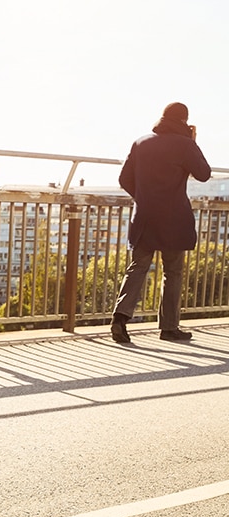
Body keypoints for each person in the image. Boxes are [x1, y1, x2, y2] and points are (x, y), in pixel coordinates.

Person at [111, 102, 211, 344]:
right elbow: (204, 173)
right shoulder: (185, 144)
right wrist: (192, 141)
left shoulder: (141, 142)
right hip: (173, 218)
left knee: (138, 267)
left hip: (144, 216)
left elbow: (124, 178)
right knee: (172, 271)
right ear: (184, 121)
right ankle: (168, 328)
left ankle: (120, 319)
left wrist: (145, 198)